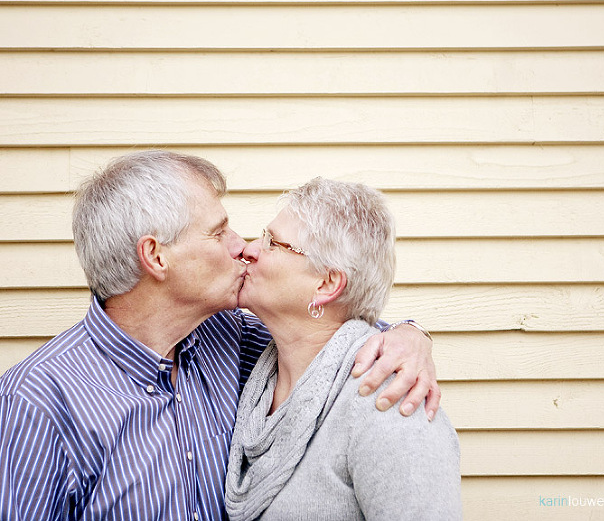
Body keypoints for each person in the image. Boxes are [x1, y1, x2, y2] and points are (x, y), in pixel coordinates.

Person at [0, 150, 438, 521]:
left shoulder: (230, 340)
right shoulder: (37, 401)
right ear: (155, 256)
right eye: (217, 231)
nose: (240, 245)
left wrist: (408, 335)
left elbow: (322, 331)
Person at [226, 177, 461, 520]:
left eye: (273, 243)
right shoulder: (250, 370)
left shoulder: (391, 403)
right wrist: (413, 330)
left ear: (327, 284)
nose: (249, 249)